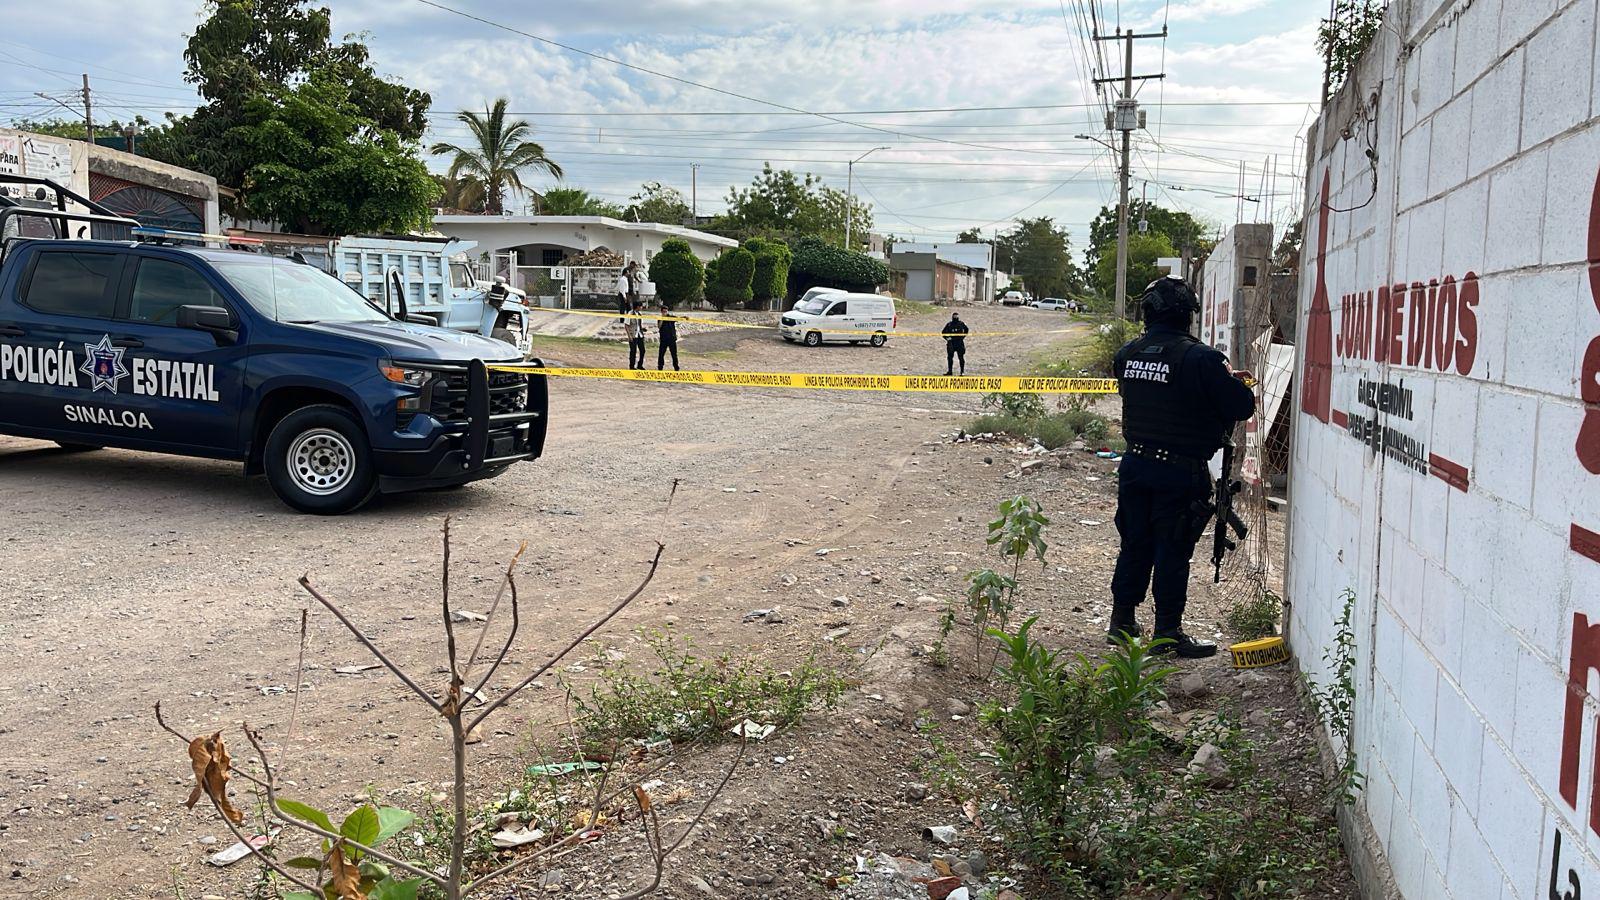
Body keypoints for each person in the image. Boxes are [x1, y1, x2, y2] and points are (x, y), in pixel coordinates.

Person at [1108, 276, 1256, 659]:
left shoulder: (1128, 353)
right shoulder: (1202, 359)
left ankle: (1121, 621)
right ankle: (1166, 632)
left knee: (1134, 544)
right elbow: (1242, 407)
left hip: (1135, 465)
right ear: (1187, 315)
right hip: (1178, 471)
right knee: (1172, 551)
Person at [625, 299, 648, 370]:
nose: (641, 308)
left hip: (640, 335)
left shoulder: (639, 314)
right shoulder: (630, 314)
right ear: (637, 307)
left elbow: (638, 325)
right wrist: (629, 336)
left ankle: (639, 365)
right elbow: (626, 325)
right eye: (641, 306)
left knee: (642, 350)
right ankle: (632, 366)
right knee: (633, 351)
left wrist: (643, 329)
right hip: (633, 335)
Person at [657, 303, 680, 371]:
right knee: (661, 354)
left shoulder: (671, 317)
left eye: (666, 311)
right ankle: (660, 367)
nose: (665, 312)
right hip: (663, 339)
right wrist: (662, 318)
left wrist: (684, 317)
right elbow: (659, 326)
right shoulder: (660, 318)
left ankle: (676, 368)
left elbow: (678, 319)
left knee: (674, 354)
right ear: (661, 312)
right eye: (664, 311)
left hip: (671, 339)